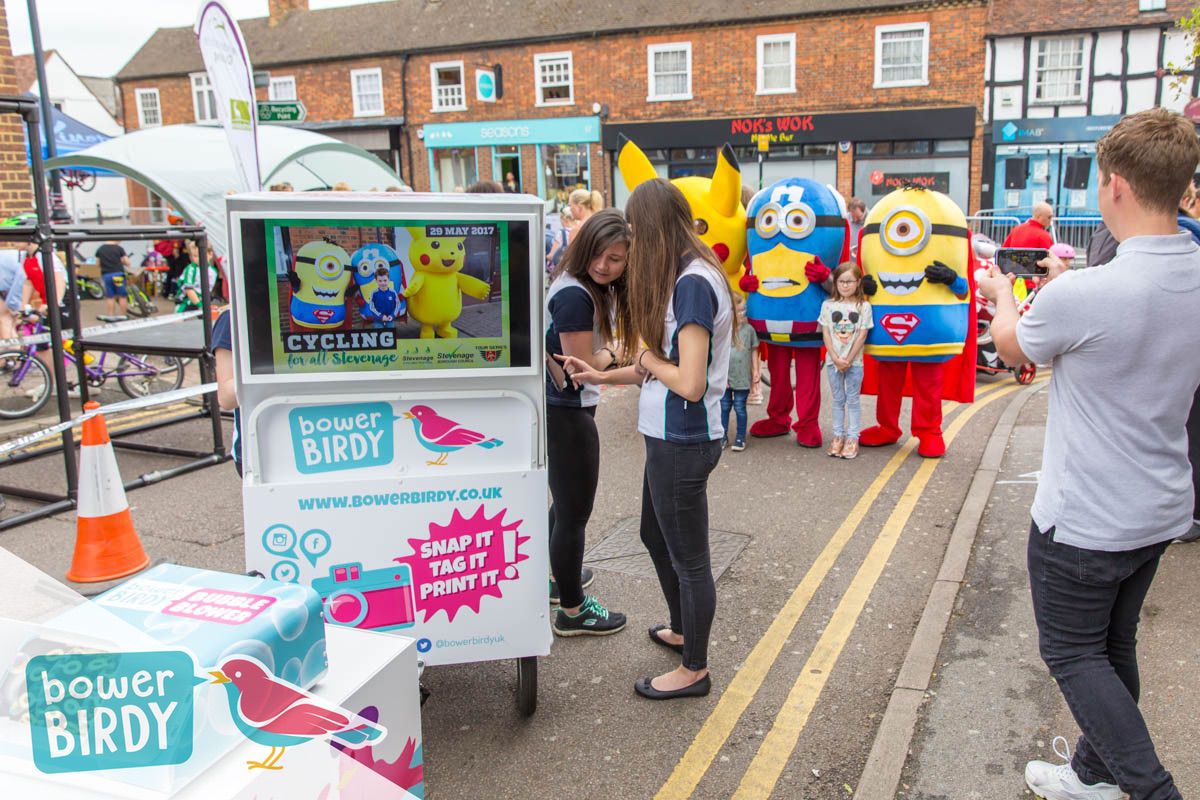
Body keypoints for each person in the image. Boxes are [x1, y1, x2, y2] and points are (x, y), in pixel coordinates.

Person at [977, 107, 1198, 800]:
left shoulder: (1087, 291)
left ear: (1115, 187)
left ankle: (1149, 789)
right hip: (1160, 504)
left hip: (1086, 519)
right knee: (1114, 647)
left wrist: (1002, 294)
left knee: (1074, 654)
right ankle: (1094, 776)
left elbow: (1011, 349)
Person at [561, 179, 734, 700]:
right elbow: (658, 372)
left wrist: (642, 358)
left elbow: (689, 380)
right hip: (668, 436)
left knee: (690, 558)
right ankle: (684, 630)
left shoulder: (693, 284)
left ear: (654, 226)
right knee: (655, 536)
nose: (632, 240)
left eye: (636, 229)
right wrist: (598, 376)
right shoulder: (685, 276)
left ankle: (695, 668)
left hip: (685, 439)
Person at [543, 208, 632, 635]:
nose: (604, 265)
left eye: (615, 258)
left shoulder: (575, 285)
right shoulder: (576, 294)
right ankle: (573, 611)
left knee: (564, 505)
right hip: (567, 411)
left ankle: (559, 583)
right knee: (574, 512)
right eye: (599, 255)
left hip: (560, 409)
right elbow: (581, 368)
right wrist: (616, 353)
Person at [818, 262, 873, 460]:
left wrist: (848, 359)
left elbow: (862, 335)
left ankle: (852, 438)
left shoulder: (864, 307)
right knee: (838, 399)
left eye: (849, 281)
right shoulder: (828, 305)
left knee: (853, 399)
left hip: (854, 362)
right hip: (833, 361)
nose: (845, 285)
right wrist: (834, 357)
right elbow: (826, 333)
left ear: (858, 282)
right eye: (841, 281)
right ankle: (838, 435)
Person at [720, 294, 756, 451]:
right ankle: (722, 436)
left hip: (742, 377)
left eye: (744, 311)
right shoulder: (723, 330)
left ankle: (740, 437)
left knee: (740, 407)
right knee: (724, 406)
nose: (742, 314)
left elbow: (754, 351)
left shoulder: (749, 330)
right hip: (725, 377)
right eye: (738, 311)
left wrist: (755, 371)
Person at [211, 307, 242, 476]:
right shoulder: (232, 318)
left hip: (332, 444)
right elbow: (227, 398)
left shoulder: (336, 309)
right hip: (258, 453)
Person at [175, 241, 217, 313]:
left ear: (210, 254)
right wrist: (200, 305)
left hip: (202, 301)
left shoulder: (213, 271)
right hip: (185, 302)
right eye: (194, 256)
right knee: (178, 320)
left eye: (200, 255)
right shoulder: (190, 269)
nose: (197, 259)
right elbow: (189, 290)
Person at [95, 239, 129, 320]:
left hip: (106, 275)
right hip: (118, 274)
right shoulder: (119, 249)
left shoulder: (100, 249)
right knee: (122, 296)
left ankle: (111, 315)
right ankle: (123, 315)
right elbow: (127, 262)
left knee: (110, 296)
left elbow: (97, 264)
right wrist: (122, 261)